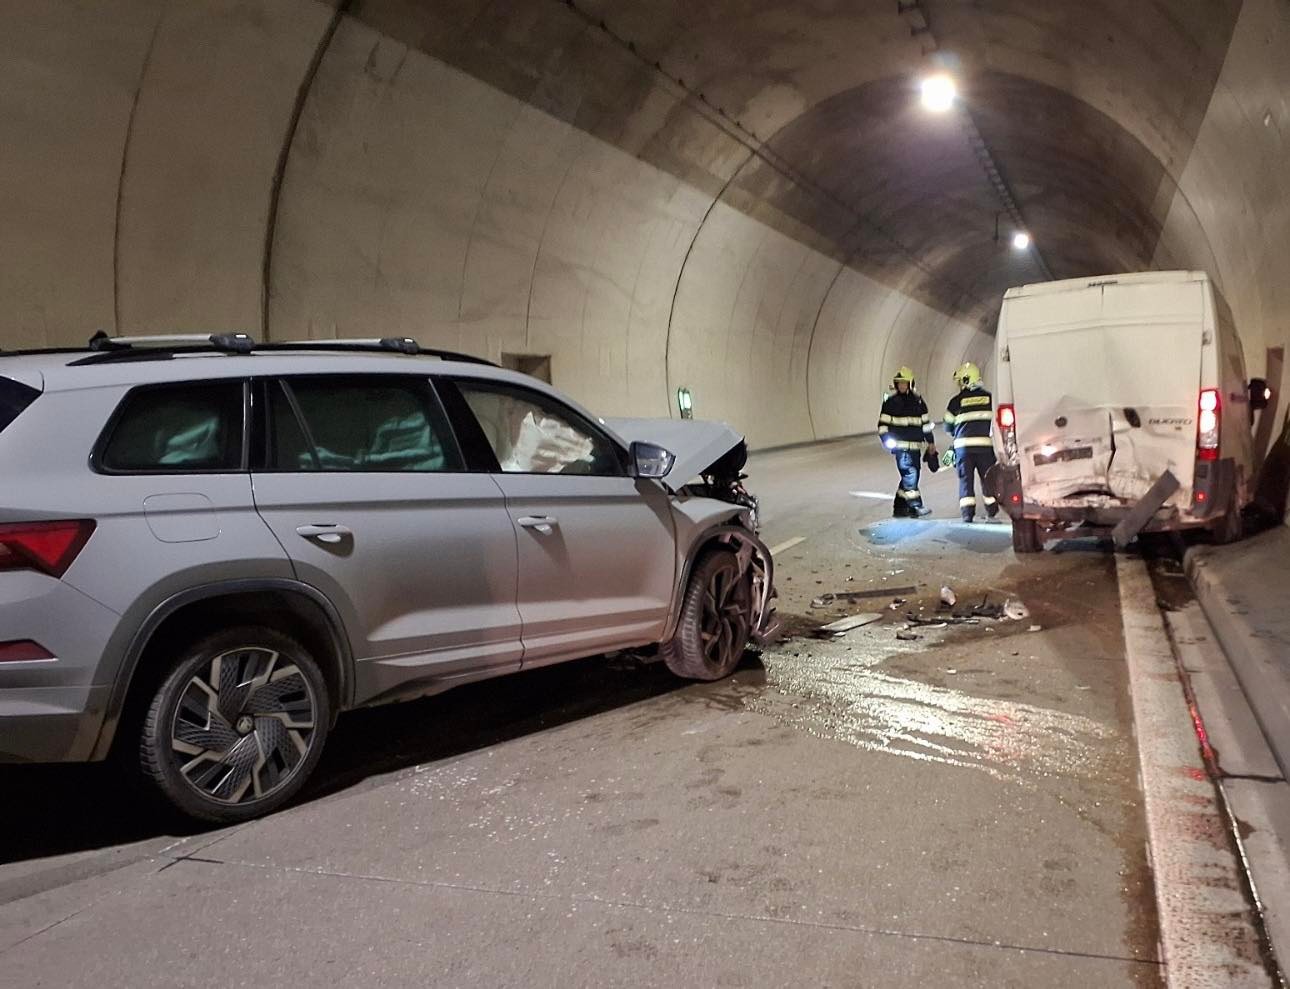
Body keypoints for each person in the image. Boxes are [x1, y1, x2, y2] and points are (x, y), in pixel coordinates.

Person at [943, 361, 999, 523]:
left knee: (965, 481)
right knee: (988, 480)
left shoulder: (956, 402)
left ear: (967, 380)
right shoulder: (990, 398)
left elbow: (948, 426)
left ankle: (967, 514)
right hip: (985, 449)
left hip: (963, 450)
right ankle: (992, 510)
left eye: (961, 381)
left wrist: (959, 432)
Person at [878, 366, 938, 518]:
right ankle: (915, 506)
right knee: (910, 475)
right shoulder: (890, 403)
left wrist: (931, 442)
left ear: (910, 384)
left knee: (911, 476)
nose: (902, 386)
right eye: (899, 383)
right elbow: (882, 426)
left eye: (904, 383)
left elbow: (925, 425)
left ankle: (900, 507)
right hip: (901, 449)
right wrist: (887, 441)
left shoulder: (918, 402)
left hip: (915, 448)